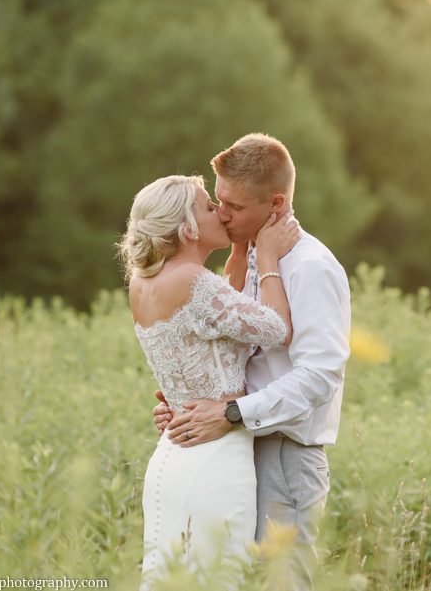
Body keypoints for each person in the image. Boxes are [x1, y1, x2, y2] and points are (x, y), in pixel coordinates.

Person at [152, 133, 351, 590]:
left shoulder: (311, 267)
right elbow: (234, 356)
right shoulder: (247, 261)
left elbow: (320, 376)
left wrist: (231, 414)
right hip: (236, 447)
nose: (221, 215)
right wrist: (186, 406)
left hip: (285, 455)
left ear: (276, 204)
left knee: (278, 582)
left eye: (234, 207)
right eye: (218, 202)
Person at [117, 174, 302, 588]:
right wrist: (267, 258)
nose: (219, 211)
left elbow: (218, 312)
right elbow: (274, 329)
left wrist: (239, 247)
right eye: (207, 206)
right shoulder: (192, 282)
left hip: (173, 452)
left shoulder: (143, 284)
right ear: (187, 228)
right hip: (215, 455)